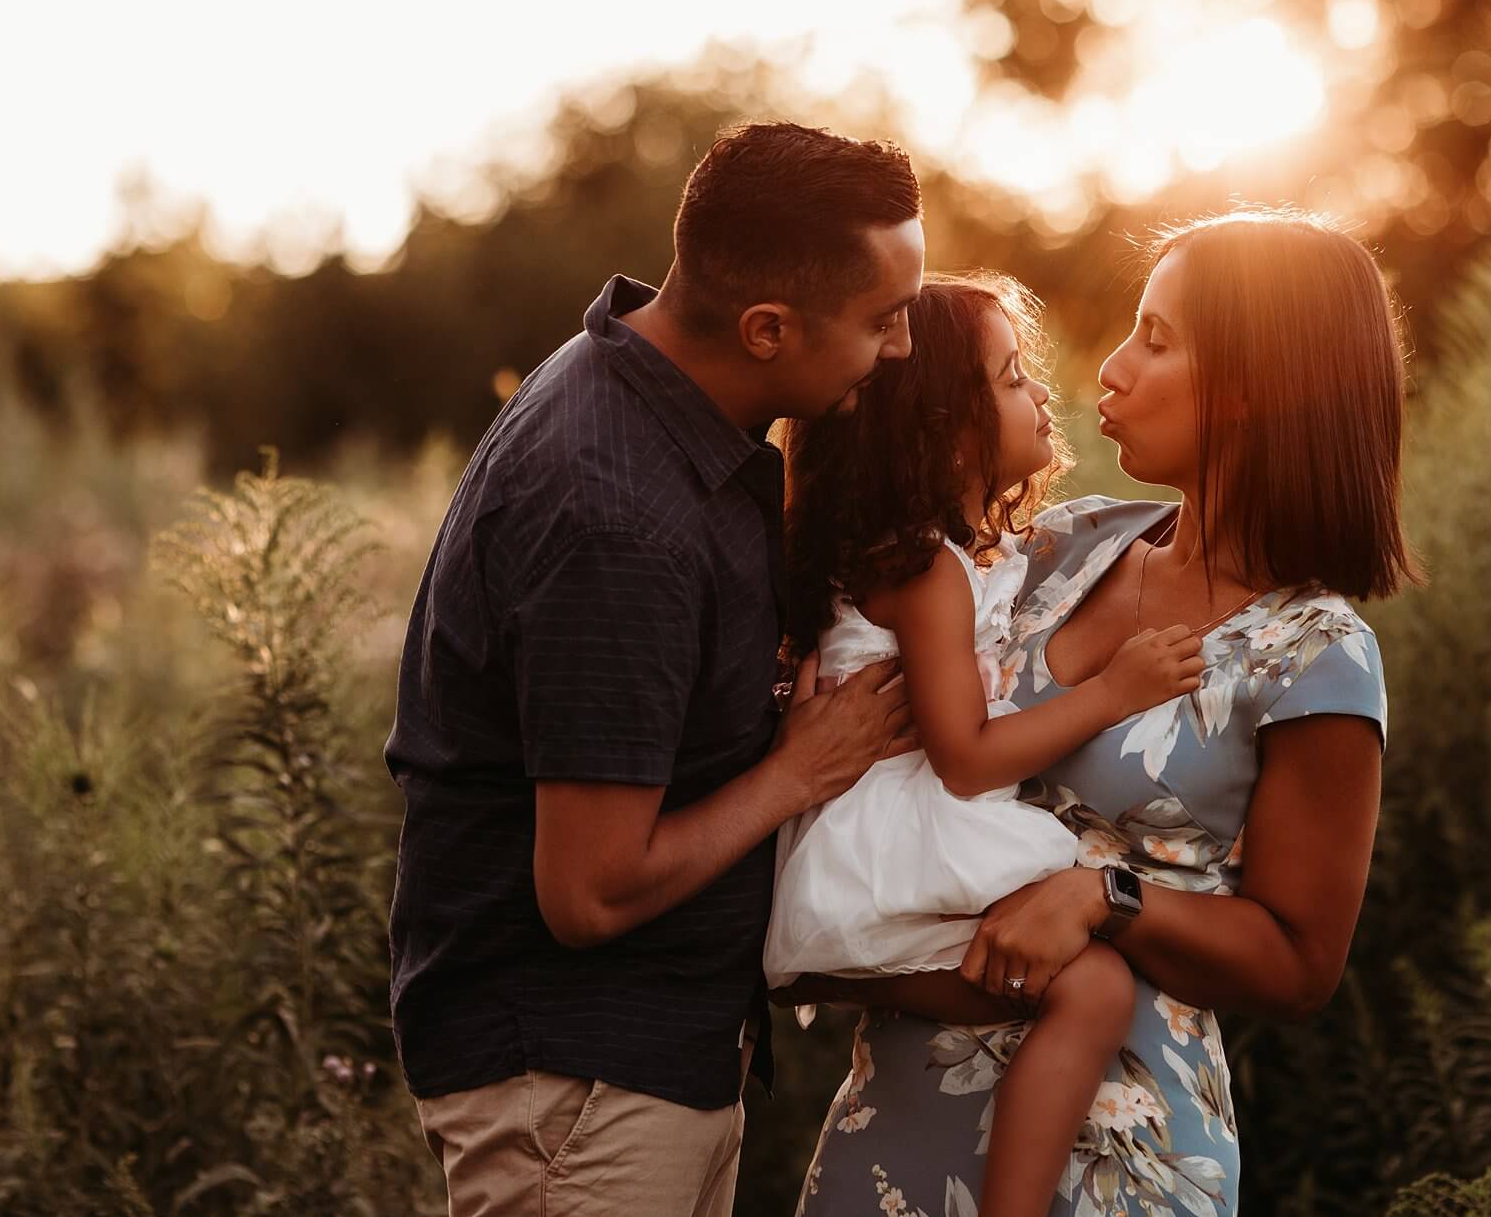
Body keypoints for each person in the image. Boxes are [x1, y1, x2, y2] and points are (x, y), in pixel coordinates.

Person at [792, 208, 1420, 1217]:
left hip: (1115, 1159)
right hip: (893, 1129)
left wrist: (1104, 897)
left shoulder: (1312, 654)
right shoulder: (1057, 545)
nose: (1111, 369)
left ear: (1257, 388)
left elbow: (1298, 964)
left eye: (1156, 339)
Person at [384, 121, 925, 1217]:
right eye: (882, 319)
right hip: (575, 1087)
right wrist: (797, 770)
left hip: (631, 1066)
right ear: (766, 328)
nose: (904, 347)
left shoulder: (650, 399)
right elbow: (586, 890)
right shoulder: (617, 515)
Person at [767, 273, 1205, 1217]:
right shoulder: (928, 571)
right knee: (1091, 989)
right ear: (940, 429)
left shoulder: (938, 556)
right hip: (892, 841)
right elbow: (966, 758)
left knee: (1083, 981)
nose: (1043, 393)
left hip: (875, 838)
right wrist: (1111, 692)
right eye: (1012, 379)